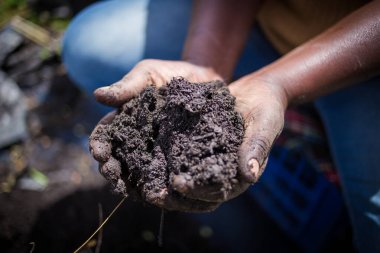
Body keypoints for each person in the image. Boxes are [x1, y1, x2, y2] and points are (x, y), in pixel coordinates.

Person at [62, 0, 380, 252]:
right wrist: (205, 65)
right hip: (267, 25)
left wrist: (278, 84)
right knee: (90, 42)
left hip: (366, 63)